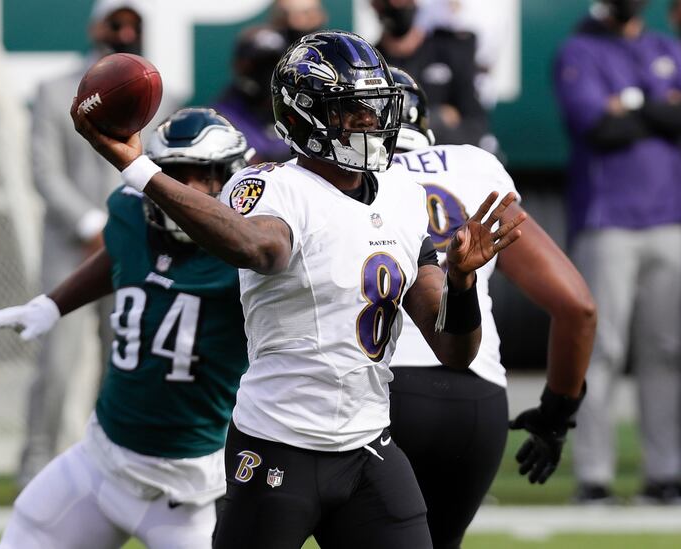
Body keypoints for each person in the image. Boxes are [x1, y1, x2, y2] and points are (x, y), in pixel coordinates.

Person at [71, 30, 526, 549]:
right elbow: (258, 248)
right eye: (352, 109)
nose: (371, 121)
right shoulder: (272, 186)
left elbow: (454, 351)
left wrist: (462, 283)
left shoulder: (403, 194)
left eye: (375, 106)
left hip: (367, 445)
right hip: (278, 445)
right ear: (304, 115)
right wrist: (139, 169)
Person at [0, 108, 251, 549]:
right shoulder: (131, 213)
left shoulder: (251, 257)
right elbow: (120, 251)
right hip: (100, 461)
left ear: (234, 178)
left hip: (188, 489)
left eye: (204, 176)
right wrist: (53, 305)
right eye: (175, 175)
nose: (186, 191)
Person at [387, 66, 595, 549]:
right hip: (475, 399)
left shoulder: (335, 179)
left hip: (381, 392)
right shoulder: (472, 166)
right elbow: (577, 306)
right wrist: (556, 413)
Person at [554, 0, 681, 504]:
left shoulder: (665, 46)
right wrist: (658, 105)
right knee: (601, 350)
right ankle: (594, 475)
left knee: (667, 351)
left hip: (669, 219)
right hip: (607, 222)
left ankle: (666, 472)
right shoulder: (579, 49)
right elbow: (600, 128)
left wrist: (629, 103)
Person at [22, 0, 153, 488]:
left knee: (122, 363)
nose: (125, 33)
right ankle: (35, 467)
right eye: (116, 23)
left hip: (133, 245)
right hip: (71, 248)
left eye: (133, 24)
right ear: (96, 26)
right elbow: (44, 171)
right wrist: (90, 223)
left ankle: (110, 464)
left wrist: (122, 226)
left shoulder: (157, 92)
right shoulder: (55, 89)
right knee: (56, 365)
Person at [371, 0, 489, 147]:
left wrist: (431, 125)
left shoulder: (449, 50)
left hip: (441, 155)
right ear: (374, 5)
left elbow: (474, 123)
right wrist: (438, 117)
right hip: (394, 156)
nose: (397, 5)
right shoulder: (370, 63)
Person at [212, 25, 292, 164]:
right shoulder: (221, 118)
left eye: (275, 64)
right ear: (239, 65)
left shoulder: (295, 108)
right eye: (261, 64)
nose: (268, 73)